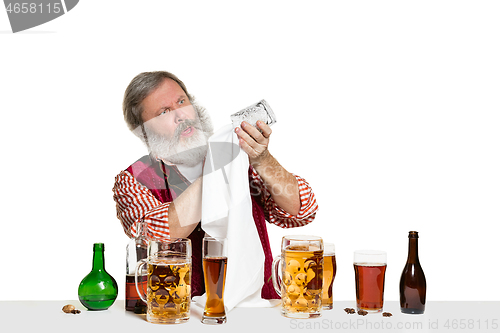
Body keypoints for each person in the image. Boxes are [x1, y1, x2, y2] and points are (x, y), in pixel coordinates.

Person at [112, 71, 318, 299]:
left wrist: (261, 159)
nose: (181, 115)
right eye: (164, 112)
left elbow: (301, 211)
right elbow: (157, 239)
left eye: (181, 101)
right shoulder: (133, 179)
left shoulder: (239, 156)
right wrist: (217, 167)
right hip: (180, 315)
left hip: (258, 309)